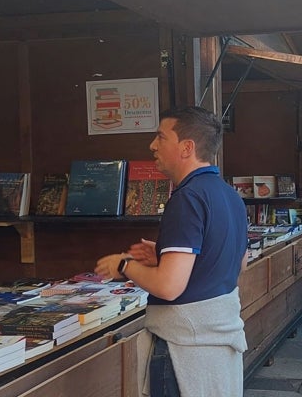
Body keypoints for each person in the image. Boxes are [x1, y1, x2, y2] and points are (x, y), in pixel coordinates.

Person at [94, 106, 248, 396]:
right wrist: (166, 257)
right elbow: (238, 262)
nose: (152, 145)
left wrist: (124, 265)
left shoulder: (187, 198)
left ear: (187, 147)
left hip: (185, 350)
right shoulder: (229, 194)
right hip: (220, 344)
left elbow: (169, 286)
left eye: (161, 137)